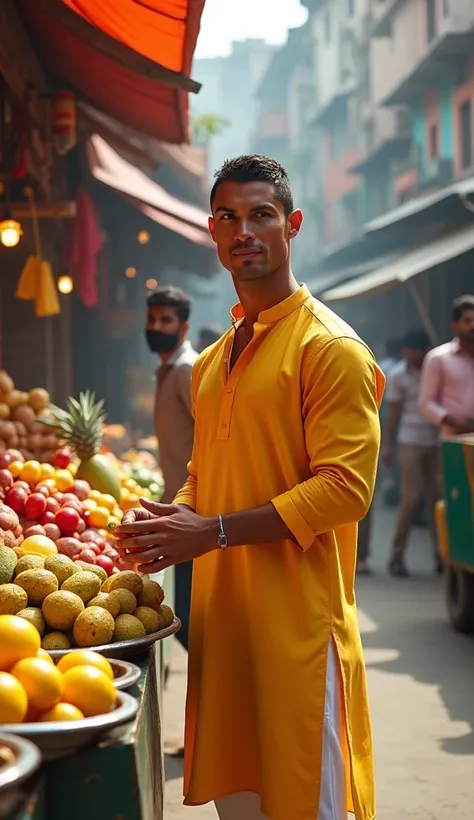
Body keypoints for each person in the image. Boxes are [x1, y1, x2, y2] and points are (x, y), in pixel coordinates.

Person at [118, 155, 384, 820]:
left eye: (262, 214)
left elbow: (345, 490)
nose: (245, 230)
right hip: (225, 628)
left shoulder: (330, 349)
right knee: (240, 809)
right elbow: (206, 474)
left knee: (305, 804)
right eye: (229, 217)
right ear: (212, 231)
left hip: (298, 634)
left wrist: (210, 531)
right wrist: (169, 524)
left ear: (292, 224)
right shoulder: (213, 361)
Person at [145, 285, 197, 662]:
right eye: (152, 319)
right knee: (188, 623)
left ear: (183, 327)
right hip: (177, 509)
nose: (156, 326)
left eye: (166, 320)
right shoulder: (166, 369)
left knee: (192, 621)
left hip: (195, 511)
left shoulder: (185, 370)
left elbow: (213, 438)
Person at [383, 330, 440, 577]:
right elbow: (393, 414)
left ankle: (442, 557)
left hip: (436, 441)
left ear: (423, 350)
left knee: (438, 501)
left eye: (414, 350)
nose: (409, 355)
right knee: (410, 500)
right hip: (410, 441)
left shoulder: (435, 371)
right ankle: (397, 555)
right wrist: (386, 444)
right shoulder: (398, 375)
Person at [420, 294, 474, 437]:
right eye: (467, 321)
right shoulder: (439, 358)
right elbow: (426, 404)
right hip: (454, 438)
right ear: (454, 325)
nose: (472, 325)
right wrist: (457, 424)